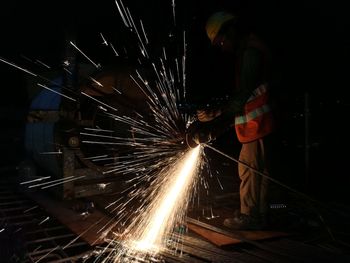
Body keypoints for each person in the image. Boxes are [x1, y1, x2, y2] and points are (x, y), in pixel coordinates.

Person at [186, 11, 277, 230]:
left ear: (231, 30)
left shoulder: (251, 53)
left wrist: (213, 118)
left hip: (258, 122)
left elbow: (241, 98)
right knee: (259, 171)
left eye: (221, 41)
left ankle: (250, 217)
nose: (222, 47)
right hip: (261, 121)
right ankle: (262, 215)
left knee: (249, 169)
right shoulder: (251, 48)